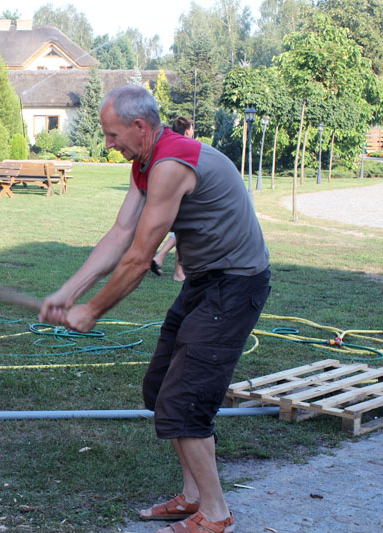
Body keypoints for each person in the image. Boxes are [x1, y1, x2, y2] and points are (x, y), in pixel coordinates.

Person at [39, 86, 270, 533]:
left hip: (236, 285)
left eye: (112, 135)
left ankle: (217, 515)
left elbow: (138, 259)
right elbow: (119, 234)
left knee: (185, 401)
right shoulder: (144, 164)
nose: (108, 143)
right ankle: (194, 496)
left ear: (140, 127)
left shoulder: (170, 165)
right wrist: (69, 292)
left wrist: (92, 311)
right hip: (205, 281)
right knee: (160, 388)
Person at [152, 117, 194, 281]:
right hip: (182, 193)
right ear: (188, 131)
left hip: (169, 192)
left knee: (181, 231)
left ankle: (176, 269)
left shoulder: (170, 145)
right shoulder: (188, 146)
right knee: (183, 231)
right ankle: (166, 262)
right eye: (192, 129)